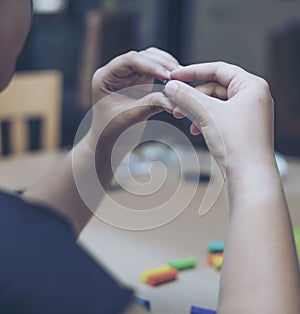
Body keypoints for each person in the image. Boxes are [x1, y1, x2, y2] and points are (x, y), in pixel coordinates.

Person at [0, 1, 299, 314]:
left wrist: (104, 139)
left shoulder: (17, 243)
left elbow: (30, 229)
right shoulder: (22, 263)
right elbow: (26, 252)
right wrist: (250, 165)